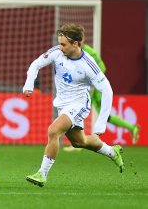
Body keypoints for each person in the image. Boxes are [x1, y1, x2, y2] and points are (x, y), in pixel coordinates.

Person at [22, 24, 124, 187]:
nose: (60, 47)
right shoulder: (57, 52)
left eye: (63, 44)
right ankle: (112, 151)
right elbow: (36, 64)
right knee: (79, 142)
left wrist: (101, 123)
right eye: (59, 43)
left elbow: (107, 90)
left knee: (53, 131)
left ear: (75, 43)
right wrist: (29, 85)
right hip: (62, 104)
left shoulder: (88, 65)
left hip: (78, 104)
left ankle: (42, 174)